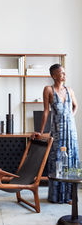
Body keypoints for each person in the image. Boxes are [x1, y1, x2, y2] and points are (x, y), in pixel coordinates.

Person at [33, 63, 79, 203]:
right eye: (61, 73)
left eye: (64, 73)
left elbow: (75, 106)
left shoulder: (69, 90)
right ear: (54, 75)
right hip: (57, 132)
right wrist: (41, 132)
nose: (64, 75)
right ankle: (57, 196)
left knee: (72, 162)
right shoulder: (48, 90)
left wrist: (70, 116)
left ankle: (71, 197)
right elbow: (46, 112)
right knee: (58, 162)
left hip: (71, 132)